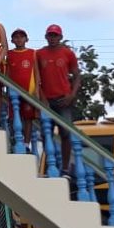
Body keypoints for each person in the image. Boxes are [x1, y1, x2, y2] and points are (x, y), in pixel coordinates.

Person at [36, 24, 81, 177]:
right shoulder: (39, 54)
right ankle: (50, 167)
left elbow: (76, 76)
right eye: (50, 35)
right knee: (45, 134)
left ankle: (66, 168)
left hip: (64, 99)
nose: (53, 38)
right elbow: (36, 79)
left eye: (55, 35)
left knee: (66, 134)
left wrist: (72, 95)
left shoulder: (68, 53)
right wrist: (42, 97)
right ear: (46, 37)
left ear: (60, 37)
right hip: (47, 100)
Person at [6, 28, 40, 143]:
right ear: (12, 40)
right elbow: (7, 72)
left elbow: (36, 72)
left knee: (28, 118)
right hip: (14, 91)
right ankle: (15, 140)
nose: (19, 39)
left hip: (29, 91)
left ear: (26, 39)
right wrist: (7, 88)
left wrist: (37, 90)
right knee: (13, 116)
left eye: (21, 37)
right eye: (16, 37)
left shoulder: (32, 53)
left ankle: (26, 143)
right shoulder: (9, 54)